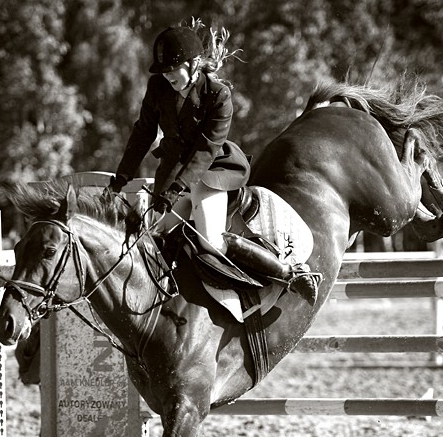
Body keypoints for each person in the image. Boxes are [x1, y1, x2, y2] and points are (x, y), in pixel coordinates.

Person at [108, 20, 320, 304]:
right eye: (164, 70)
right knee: (153, 237)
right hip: (173, 172)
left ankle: (290, 274)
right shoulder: (157, 87)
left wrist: (174, 190)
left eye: (173, 68)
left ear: (194, 64)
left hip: (211, 170)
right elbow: (143, 133)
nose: (168, 75)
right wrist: (121, 178)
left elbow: (206, 149)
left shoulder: (219, 94)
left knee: (210, 241)